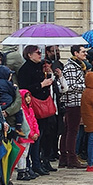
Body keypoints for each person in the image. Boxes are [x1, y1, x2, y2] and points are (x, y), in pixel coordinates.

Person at [17, 45, 57, 175]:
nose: (40, 55)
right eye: (37, 52)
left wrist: (48, 73)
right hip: (34, 105)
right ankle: (33, 164)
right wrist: (41, 85)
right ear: (29, 55)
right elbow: (24, 88)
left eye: (40, 52)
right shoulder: (25, 69)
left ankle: (42, 160)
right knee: (35, 137)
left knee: (46, 134)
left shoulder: (40, 67)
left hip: (44, 103)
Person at [59, 45, 86, 168]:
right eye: (83, 52)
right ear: (76, 53)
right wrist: (85, 86)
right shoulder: (71, 67)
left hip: (76, 101)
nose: (85, 54)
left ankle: (65, 157)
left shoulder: (78, 66)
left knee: (68, 131)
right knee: (71, 131)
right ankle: (71, 157)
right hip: (72, 102)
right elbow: (69, 86)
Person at [16, 90, 40, 180]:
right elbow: (25, 125)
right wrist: (31, 134)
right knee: (22, 154)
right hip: (25, 135)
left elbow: (34, 121)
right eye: (26, 97)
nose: (28, 99)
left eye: (29, 96)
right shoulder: (22, 110)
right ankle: (21, 170)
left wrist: (36, 132)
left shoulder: (30, 109)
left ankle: (24, 169)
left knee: (25, 154)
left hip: (30, 135)